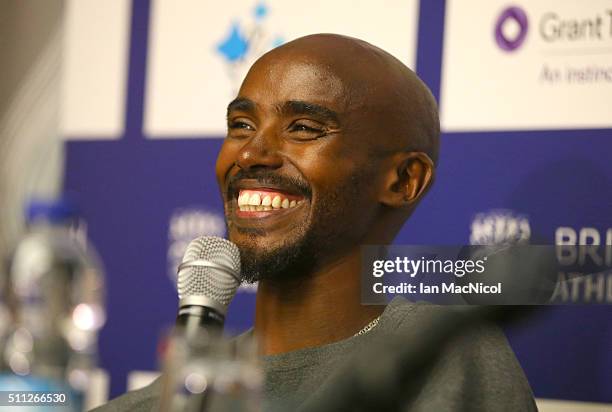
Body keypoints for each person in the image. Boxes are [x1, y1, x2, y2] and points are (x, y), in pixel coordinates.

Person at [95, 34, 536, 411]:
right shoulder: (160, 403)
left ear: (404, 180)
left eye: (303, 128)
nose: (250, 153)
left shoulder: (444, 361)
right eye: (242, 124)